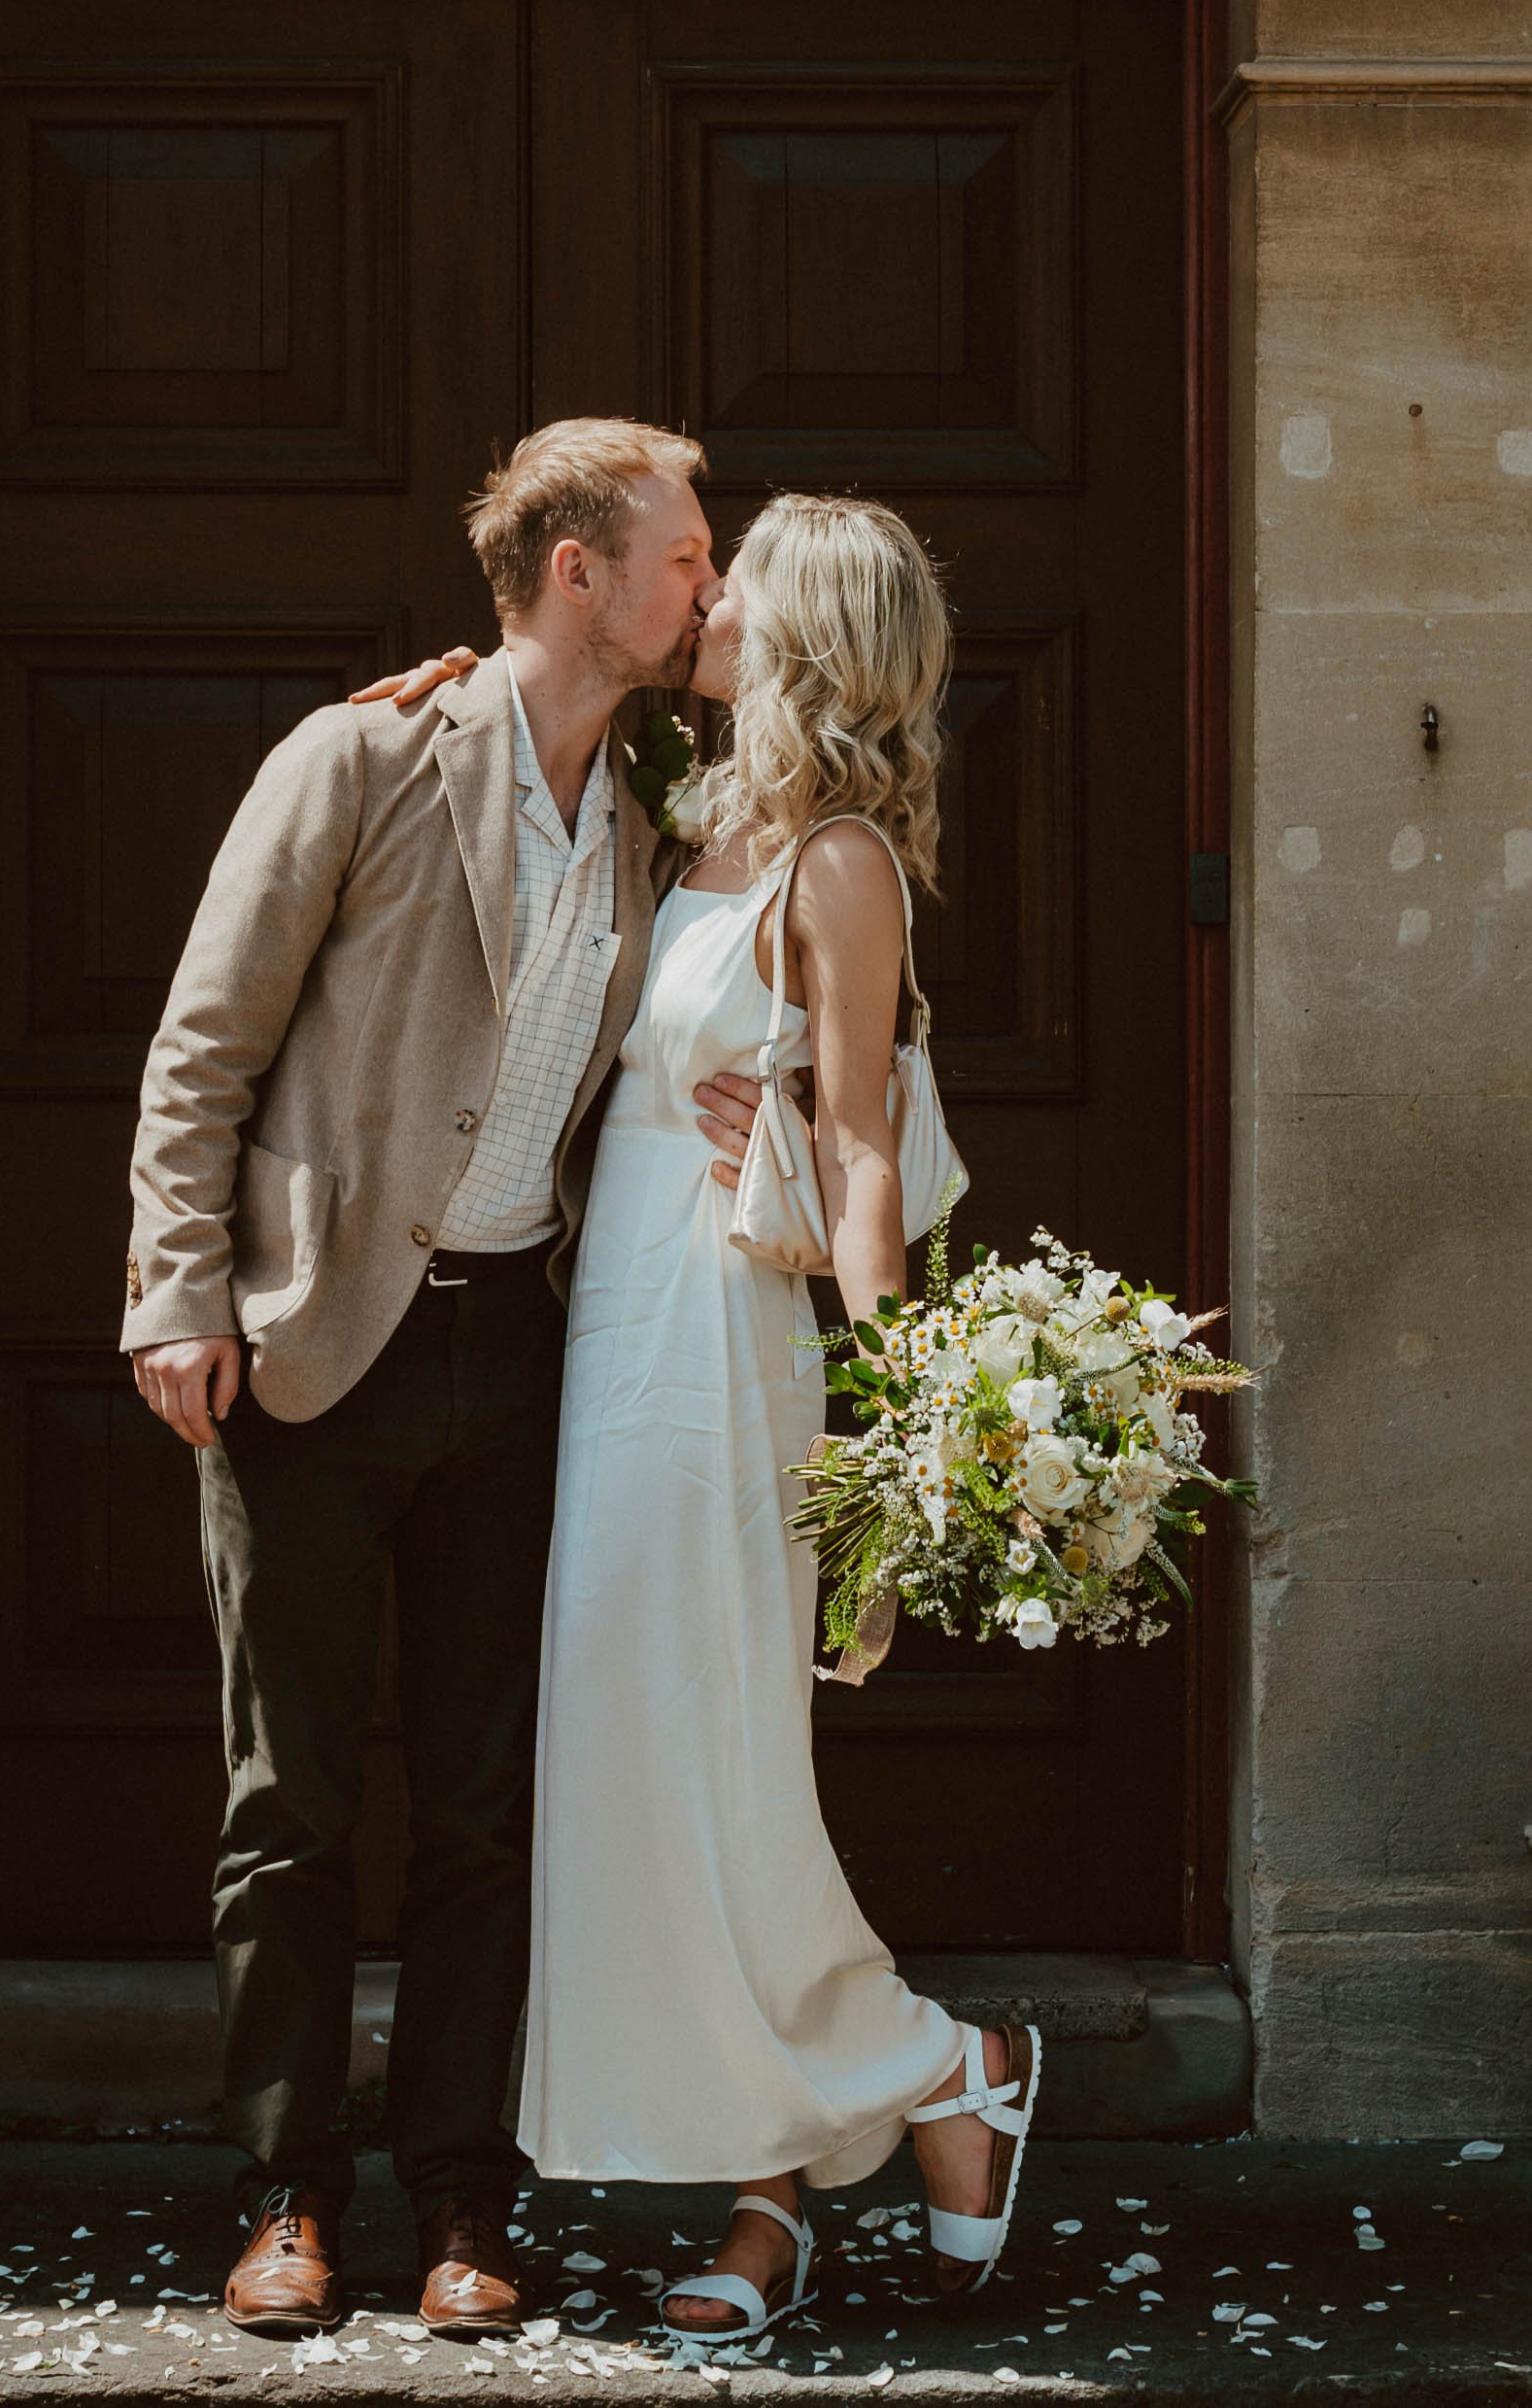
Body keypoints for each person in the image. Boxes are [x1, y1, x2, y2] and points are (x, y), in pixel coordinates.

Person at [120, 419, 776, 2340]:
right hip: (319, 1344)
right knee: (292, 1802)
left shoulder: (659, 782)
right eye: (681, 557)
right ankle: (284, 2197)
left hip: (528, 1351)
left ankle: (463, 2207)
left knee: (489, 1808)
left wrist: (719, 659)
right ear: (574, 570)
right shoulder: (360, 755)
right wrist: (177, 1291)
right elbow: (200, 1045)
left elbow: (804, 731)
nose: (706, 586)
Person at [364, 495, 1040, 2328]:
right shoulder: (700, 812)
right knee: (643, 1767)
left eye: (739, 578)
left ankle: (926, 2075)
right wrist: (448, 688)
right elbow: (536, 727)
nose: (708, 592)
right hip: (617, 1339)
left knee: (720, 1765)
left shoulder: (836, 860)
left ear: (806, 630)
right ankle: (823, 2155)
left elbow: (875, 1150)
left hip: (735, 1347)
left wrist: (901, 1415)